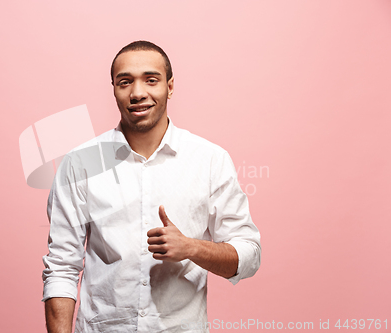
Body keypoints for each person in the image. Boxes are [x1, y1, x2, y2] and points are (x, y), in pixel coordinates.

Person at [42, 41, 261, 333]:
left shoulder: (210, 160)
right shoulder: (80, 164)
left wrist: (191, 248)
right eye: (125, 82)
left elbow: (248, 256)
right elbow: (61, 267)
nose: (138, 93)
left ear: (170, 87)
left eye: (151, 80)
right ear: (114, 89)